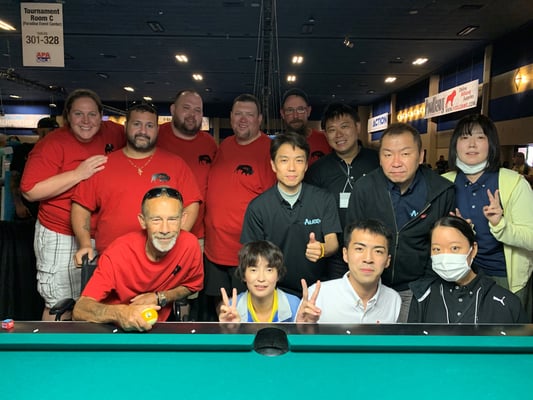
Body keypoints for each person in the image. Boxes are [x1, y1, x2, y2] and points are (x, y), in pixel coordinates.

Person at [20, 88, 125, 321]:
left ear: (101, 115)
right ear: (67, 116)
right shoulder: (52, 144)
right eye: (78, 114)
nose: (86, 121)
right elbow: (30, 191)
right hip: (61, 233)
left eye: (92, 114)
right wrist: (78, 173)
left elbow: (144, 132)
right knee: (61, 303)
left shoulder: (114, 133)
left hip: (103, 233)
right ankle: (54, 345)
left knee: (95, 304)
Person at [345, 122, 455, 322]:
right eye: (388, 155)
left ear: (420, 156)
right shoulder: (364, 188)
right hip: (372, 285)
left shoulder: (441, 191)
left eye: (405, 154)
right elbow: (352, 239)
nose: (396, 162)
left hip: (417, 288)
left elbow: (442, 245)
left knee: (408, 338)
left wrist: (424, 286)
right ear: (380, 158)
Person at [71, 102, 201, 263]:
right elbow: (81, 207)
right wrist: (85, 244)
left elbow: (191, 204)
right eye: (137, 124)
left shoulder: (176, 164)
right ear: (126, 127)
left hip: (162, 259)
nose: (143, 131)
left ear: (157, 129)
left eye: (149, 126)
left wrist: (172, 240)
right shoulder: (103, 165)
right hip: (112, 258)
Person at [73, 187, 204, 331]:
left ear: (183, 219)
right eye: (156, 220)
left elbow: (192, 286)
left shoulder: (190, 245)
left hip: (158, 328)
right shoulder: (118, 252)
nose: (165, 230)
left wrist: (160, 297)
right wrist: (120, 313)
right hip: (112, 328)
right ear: (143, 221)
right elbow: (80, 309)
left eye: (172, 219)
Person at [443, 114, 533, 315]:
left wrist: (501, 225)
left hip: (504, 278)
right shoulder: (444, 183)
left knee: (507, 333)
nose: (472, 144)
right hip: (458, 275)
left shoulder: (514, 183)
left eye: (480, 137)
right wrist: (456, 232)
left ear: (491, 144)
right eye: (465, 138)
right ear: (455, 145)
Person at [203, 93, 276, 320]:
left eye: (249, 115)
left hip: (246, 254)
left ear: (259, 119)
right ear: (231, 117)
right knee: (221, 311)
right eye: (238, 114)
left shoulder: (270, 150)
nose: (243, 119)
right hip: (214, 250)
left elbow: (274, 206)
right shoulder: (225, 145)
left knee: (245, 314)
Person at [241, 132, 341, 296]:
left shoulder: (324, 199)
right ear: (273, 165)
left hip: (318, 289)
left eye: (299, 160)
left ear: (306, 165)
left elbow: (333, 242)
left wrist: (322, 249)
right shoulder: (258, 207)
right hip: (274, 291)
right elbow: (252, 256)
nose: (292, 168)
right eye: (284, 160)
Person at [305, 102, 379, 279]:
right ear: (325, 134)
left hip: (373, 251)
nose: (339, 135)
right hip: (334, 257)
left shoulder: (378, 161)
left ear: (358, 127)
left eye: (344, 126)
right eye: (332, 130)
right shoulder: (317, 170)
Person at [408, 216, 528, 323]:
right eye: (437, 249)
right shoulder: (422, 295)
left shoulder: (506, 302)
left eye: (454, 248)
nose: (445, 256)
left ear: (473, 249)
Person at [296, 219, 401, 323]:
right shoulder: (318, 296)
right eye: (359, 249)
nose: (368, 259)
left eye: (378, 251)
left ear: (387, 260)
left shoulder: (394, 300)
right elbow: (301, 331)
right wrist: (302, 328)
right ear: (345, 254)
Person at [157, 90, 217, 245]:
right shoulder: (155, 136)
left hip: (198, 237)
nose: (192, 115)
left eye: (197, 110)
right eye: (186, 108)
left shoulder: (209, 143)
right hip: (157, 235)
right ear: (173, 110)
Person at [218, 240, 301, 323]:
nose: (261, 278)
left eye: (269, 270)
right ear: (243, 275)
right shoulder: (232, 308)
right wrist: (229, 329)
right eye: (253, 270)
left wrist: (304, 326)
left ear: (278, 275)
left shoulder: (294, 305)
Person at [10, 117, 59, 220]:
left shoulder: (57, 153)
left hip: (50, 208)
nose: (50, 134)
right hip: (27, 207)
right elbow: (14, 179)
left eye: (53, 131)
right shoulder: (23, 150)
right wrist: (18, 204)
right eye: (48, 131)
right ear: (39, 131)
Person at [280, 88, 331, 165]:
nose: (295, 116)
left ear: (308, 111)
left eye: (300, 109)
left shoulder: (326, 139)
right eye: (289, 110)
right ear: (282, 114)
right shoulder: (276, 145)